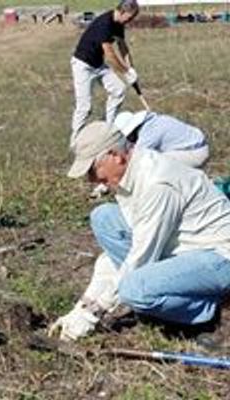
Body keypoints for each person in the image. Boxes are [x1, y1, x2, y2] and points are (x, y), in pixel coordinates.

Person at [50, 120, 230, 344]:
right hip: (181, 246)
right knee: (103, 216)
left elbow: (140, 257)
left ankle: (210, 309)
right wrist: (85, 303)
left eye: (93, 171)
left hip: (218, 255)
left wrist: (95, 311)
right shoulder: (129, 173)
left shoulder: (157, 184)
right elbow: (119, 255)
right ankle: (168, 288)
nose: (91, 180)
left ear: (116, 155)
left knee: (134, 290)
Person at [70, 0, 140, 147]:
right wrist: (126, 72)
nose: (130, 21)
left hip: (98, 64)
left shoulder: (119, 24)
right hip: (83, 65)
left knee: (119, 90)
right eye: (129, 18)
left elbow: (122, 46)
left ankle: (109, 130)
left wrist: (131, 69)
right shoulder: (105, 23)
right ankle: (75, 143)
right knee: (85, 107)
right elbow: (109, 54)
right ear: (122, 11)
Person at [114, 110, 209, 168]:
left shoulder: (149, 133)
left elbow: (134, 159)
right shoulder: (153, 122)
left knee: (152, 165)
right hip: (195, 147)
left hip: (195, 153)